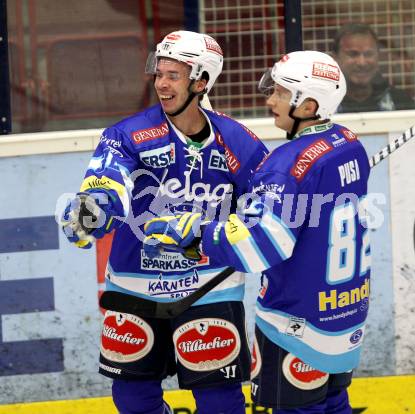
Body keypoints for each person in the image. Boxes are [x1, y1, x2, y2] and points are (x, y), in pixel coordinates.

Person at [143, 51, 372, 413]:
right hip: (345, 312)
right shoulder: (348, 143)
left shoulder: (285, 165)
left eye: (280, 93)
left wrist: (198, 233)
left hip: (297, 322)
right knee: (333, 403)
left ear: (309, 104)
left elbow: (259, 244)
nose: (270, 100)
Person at [59, 30, 268, 414]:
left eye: (173, 74)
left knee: (220, 403)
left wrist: (218, 234)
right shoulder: (128, 135)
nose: (161, 83)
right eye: (159, 73)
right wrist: (92, 210)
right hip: (134, 284)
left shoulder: (239, 142)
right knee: (133, 401)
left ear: (201, 81)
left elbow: (264, 214)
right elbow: (106, 183)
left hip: (209, 287)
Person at [332, 22, 415, 112]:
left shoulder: (400, 102)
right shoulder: (321, 104)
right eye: (353, 54)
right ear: (335, 59)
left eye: (369, 54)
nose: (362, 62)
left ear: (378, 56)